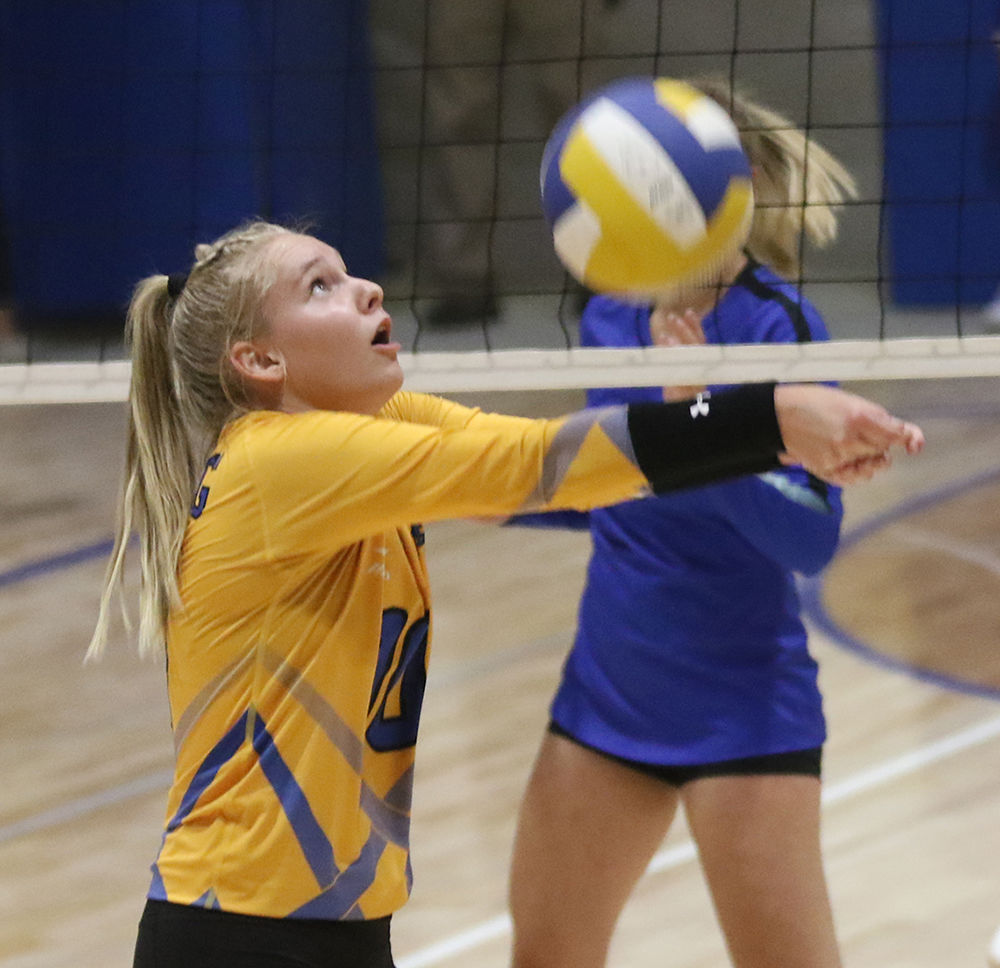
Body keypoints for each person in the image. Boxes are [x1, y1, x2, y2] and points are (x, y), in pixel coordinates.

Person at [87, 219, 922, 968]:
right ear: (260, 360)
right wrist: (772, 417)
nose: (367, 288)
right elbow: (536, 470)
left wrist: (743, 432)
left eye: (348, 273)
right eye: (321, 286)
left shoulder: (369, 433)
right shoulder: (278, 461)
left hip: (335, 924)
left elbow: (537, 456)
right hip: (236, 931)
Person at [507, 79, 862, 968]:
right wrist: (479, 498)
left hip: (744, 715)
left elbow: (810, 538)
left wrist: (704, 414)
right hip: (607, 696)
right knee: (546, 956)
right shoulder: (608, 314)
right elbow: (627, 492)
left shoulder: (772, 324)